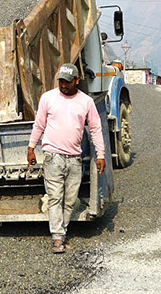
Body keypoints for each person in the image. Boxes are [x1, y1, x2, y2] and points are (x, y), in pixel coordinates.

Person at [27, 63, 105, 254]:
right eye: (61, 81)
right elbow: (39, 124)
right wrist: (31, 147)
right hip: (52, 157)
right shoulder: (48, 98)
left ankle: (62, 232)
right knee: (55, 198)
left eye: (68, 82)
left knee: (70, 201)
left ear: (77, 81)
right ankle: (57, 238)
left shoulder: (86, 102)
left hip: (74, 159)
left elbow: (95, 129)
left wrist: (101, 155)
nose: (63, 85)